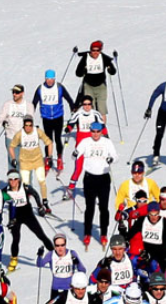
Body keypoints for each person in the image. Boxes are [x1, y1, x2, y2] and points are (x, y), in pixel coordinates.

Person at [73, 121, 117, 249]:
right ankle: (87, 233)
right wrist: (75, 154)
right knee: (90, 207)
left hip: (103, 178)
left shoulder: (107, 142)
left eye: (98, 132)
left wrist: (111, 159)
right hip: (89, 178)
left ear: (101, 132)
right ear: (90, 131)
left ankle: (103, 233)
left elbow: (115, 155)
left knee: (103, 207)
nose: (95, 134)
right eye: (93, 131)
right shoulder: (86, 142)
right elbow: (77, 152)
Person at [4, 171, 53, 272]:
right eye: (10, 179)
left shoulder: (25, 187)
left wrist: (40, 206)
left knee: (41, 234)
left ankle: (55, 255)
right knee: (16, 238)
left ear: (19, 179)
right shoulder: (5, 190)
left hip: (27, 214)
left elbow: (35, 194)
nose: (13, 181)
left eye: (15, 178)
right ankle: (14, 259)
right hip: (15, 215)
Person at [32, 69, 76, 171]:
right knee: (48, 140)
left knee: (57, 138)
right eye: (48, 79)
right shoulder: (40, 89)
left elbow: (68, 98)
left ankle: (59, 158)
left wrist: (72, 106)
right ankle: (48, 159)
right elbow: (34, 102)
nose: (49, 81)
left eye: (51, 79)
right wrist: (30, 115)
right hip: (46, 118)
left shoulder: (59, 87)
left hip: (58, 117)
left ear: (54, 79)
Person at [125, 203, 166, 272]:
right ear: (148, 213)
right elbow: (131, 233)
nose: (153, 217)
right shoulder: (142, 221)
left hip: (163, 253)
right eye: (151, 214)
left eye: (156, 214)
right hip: (149, 252)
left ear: (159, 213)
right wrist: (125, 240)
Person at [65, 96, 106, 189]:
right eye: (85, 104)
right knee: (78, 168)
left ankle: (96, 190)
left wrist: (106, 137)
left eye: (89, 104)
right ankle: (71, 187)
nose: (87, 106)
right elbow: (71, 124)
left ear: (91, 105)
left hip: (93, 144)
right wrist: (68, 128)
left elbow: (102, 127)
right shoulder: (78, 114)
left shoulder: (96, 114)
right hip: (81, 145)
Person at [8, 116, 52, 199]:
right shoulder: (19, 134)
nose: (28, 128)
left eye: (30, 125)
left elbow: (49, 142)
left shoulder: (38, 131)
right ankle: (26, 201)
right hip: (25, 162)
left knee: (42, 181)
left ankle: (45, 202)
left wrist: (49, 157)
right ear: (23, 126)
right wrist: (13, 158)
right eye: (26, 125)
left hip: (37, 161)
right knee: (26, 184)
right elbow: (11, 146)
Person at [75, 40, 117, 116]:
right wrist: (83, 71)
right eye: (93, 50)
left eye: (97, 50)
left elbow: (113, 71)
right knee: (90, 109)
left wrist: (110, 70)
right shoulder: (86, 58)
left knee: (102, 111)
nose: (95, 52)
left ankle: (103, 127)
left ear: (100, 51)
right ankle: (92, 127)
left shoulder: (104, 58)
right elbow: (78, 73)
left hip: (101, 86)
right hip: (88, 86)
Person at [0, 84, 33, 154]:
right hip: (10, 136)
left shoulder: (28, 106)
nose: (14, 94)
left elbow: (30, 119)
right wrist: (3, 122)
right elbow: (1, 117)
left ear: (22, 93)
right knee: (12, 161)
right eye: (13, 92)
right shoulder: (7, 104)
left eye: (17, 92)